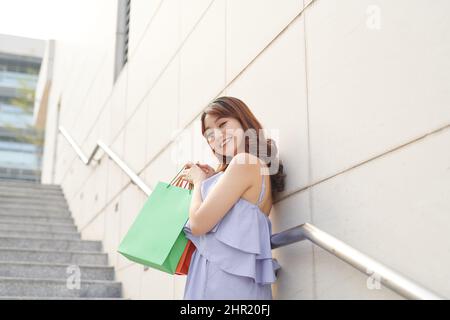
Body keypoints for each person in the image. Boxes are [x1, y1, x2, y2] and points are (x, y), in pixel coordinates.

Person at [180, 96, 286, 300]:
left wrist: (199, 182)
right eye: (209, 134)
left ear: (242, 121)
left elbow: (198, 224)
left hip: (220, 282)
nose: (217, 136)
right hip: (234, 281)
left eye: (223, 124)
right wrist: (214, 179)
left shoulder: (244, 161)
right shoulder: (252, 164)